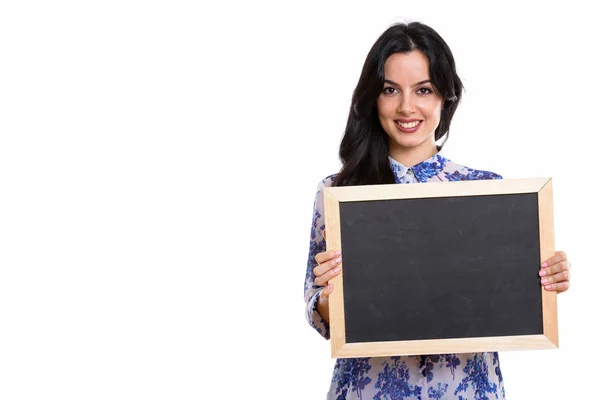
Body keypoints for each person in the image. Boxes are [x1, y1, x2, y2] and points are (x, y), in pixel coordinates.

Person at [304, 21, 571, 400]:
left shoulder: (487, 191)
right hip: (367, 390)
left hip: (464, 388)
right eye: (390, 90)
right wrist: (334, 293)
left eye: (423, 90)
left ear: (445, 97)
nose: (406, 107)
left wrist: (546, 276)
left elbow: (513, 296)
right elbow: (319, 314)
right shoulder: (339, 193)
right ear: (372, 98)